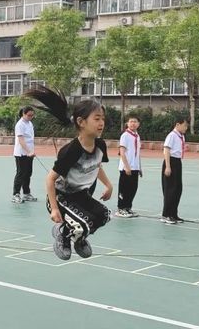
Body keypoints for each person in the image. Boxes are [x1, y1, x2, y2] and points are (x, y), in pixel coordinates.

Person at [26, 86, 113, 261]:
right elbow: (50, 179)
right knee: (82, 224)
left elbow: (97, 166)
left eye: (102, 119)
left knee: (104, 216)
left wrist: (109, 185)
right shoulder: (71, 151)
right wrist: (54, 209)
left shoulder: (100, 145)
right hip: (61, 197)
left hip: (80, 196)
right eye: (96, 119)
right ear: (81, 122)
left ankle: (78, 239)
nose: (101, 123)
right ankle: (63, 235)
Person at [161, 117, 189, 224]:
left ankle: (173, 213)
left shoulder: (181, 136)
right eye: (185, 125)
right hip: (171, 161)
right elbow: (166, 150)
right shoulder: (172, 135)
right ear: (178, 124)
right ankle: (166, 214)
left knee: (177, 189)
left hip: (177, 162)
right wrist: (168, 166)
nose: (186, 128)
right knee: (170, 189)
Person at [116, 115, 142, 218]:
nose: (133, 123)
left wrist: (139, 167)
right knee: (124, 188)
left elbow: (138, 153)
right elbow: (122, 152)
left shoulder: (137, 136)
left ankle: (128, 208)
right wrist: (127, 167)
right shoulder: (125, 135)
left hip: (135, 167)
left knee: (132, 189)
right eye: (131, 121)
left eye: (135, 122)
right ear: (127, 123)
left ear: (138, 124)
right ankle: (120, 208)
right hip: (126, 167)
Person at [12, 106, 37, 204]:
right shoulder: (20, 125)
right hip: (21, 153)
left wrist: (31, 151)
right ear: (23, 114)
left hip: (29, 153)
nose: (30, 117)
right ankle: (15, 194)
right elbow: (21, 140)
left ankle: (26, 193)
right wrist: (28, 151)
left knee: (28, 173)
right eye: (29, 115)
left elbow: (30, 139)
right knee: (20, 173)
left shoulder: (30, 123)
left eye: (32, 115)